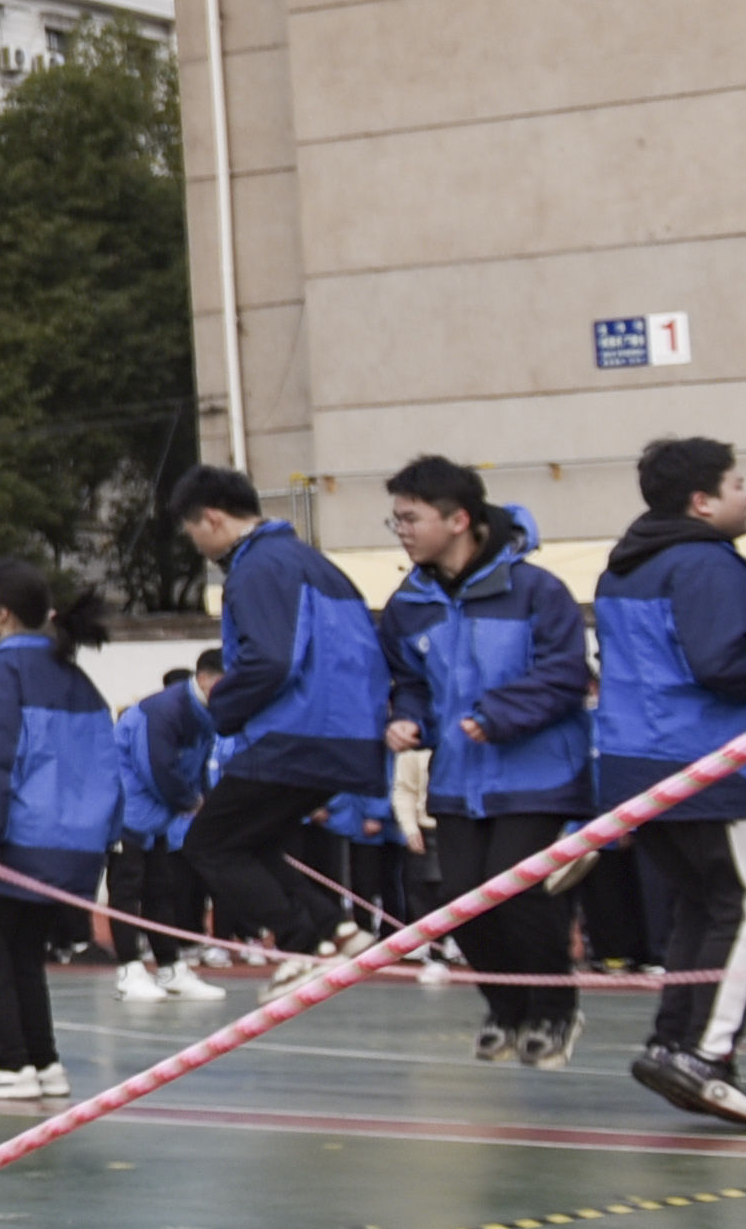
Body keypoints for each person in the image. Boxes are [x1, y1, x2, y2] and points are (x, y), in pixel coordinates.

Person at [599, 437, 746, 1126]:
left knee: (696, 906)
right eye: (738, 483)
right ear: (702, 499)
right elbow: (725, 664)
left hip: (636, 763)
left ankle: (672, 1040)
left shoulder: (623, 567)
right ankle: (705, 1055)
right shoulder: (705, 562)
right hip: (706, 760)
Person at [378, 455, 593, 1066]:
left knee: (522, 896)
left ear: (458, 520)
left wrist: (501, 713)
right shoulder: (408, 604)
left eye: (411, 518)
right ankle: (505, 1008)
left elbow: (565, 674)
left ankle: (554, 1011)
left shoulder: (536, 590)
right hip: (457, 780)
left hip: (538, 775)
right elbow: (408, 680)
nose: (402, 531)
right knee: (462, 901)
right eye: (396, 519)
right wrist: (406, 719)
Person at [172, 465, 386, 991]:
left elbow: (271, 661)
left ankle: (303, 944)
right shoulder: (317, 564)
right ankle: (338, 927)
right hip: (347, 733)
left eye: (192, 531)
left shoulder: (257, 569)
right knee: (252, 840)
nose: (196, 544)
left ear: (213, 519)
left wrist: (223, 707)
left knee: (208, 844)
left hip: (296, 732)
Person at [0, 560, 118, 1102]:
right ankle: (42, 1061)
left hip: (13, 841)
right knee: (24, 958)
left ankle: (8, 1062)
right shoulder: (75, 676)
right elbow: (104, 762)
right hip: (70, 843)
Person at [108, 659, 228, 1003]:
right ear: (204, 679)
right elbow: (155, 765)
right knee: (127, 888)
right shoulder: (161, 710)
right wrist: (188, 799)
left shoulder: (205, 714)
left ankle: (170, 966)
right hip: (128, 812)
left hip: (159, 815)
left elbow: (200, 763)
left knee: (162, 888)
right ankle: (129, 969)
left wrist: (205, 799)